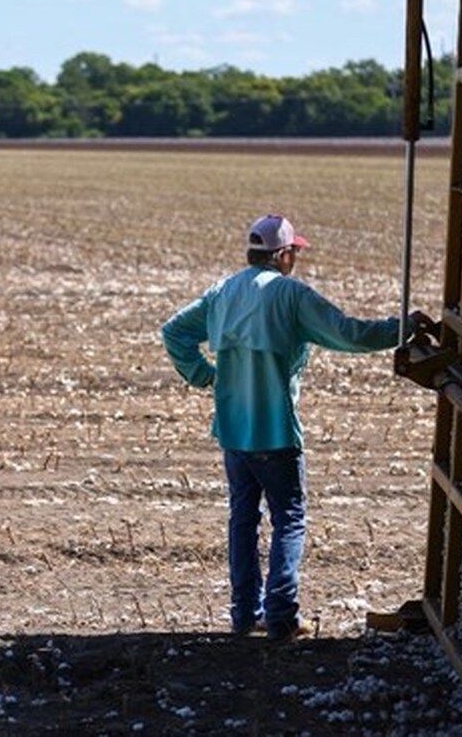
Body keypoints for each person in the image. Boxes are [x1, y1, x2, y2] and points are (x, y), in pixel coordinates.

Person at [161, 213, 432, 642]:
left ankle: (245, 615)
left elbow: (174, 332)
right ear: (283, 254)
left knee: (243, 520)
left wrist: (206, 376)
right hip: (275, 433)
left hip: (232, 432)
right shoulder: (291, 295)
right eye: (295, 253)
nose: (296, 259)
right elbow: (351, 334)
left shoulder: (223, 291)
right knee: (289, 519)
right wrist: (406, 328)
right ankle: (282, 617)